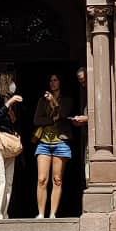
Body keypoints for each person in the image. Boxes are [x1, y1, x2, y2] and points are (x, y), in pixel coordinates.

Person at [33, 72, 74, 219]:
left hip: (61, 142)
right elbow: (37, 120)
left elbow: (62, 114)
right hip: (44, 142)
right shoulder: (42, 101)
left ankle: (52, 214)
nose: (52, 83)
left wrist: (54, 103)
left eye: (55, 80)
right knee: (42, 179)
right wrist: (52, 120)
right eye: (50, 80)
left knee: (57, 179)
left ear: (61, 82)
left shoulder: (67, 100)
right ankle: (41, 213)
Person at [0, 72, 23, 220]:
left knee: (8, 181)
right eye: (11, 81)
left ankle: (4, 213)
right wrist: (9, 103)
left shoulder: (9, 102)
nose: (13, 84)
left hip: (8, 143)